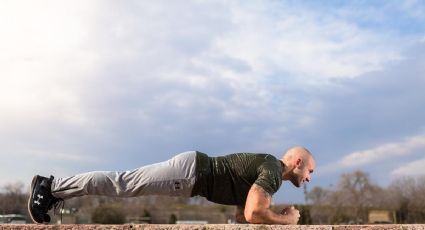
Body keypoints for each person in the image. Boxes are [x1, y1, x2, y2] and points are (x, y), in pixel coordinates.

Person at [28, 146, 315, 225]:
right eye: (310, 171)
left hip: (191, 172)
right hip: (191, 174)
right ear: (298, 161)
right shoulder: (273, 171)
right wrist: (286, 220)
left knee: (124, 183)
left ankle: (53, 188)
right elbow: (254, 214)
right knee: (123, 183)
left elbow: (243, 216)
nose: (309, 179)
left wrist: (271, 215)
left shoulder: (267, 172)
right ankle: (51, 187)